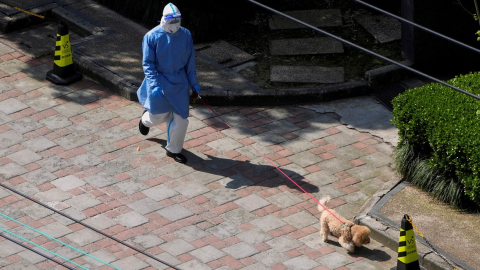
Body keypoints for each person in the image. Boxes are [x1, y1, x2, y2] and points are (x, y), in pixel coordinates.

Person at [137, 2, 201, 164]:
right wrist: (154, 85)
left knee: (181, 119)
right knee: (158, 117)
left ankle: (173, 150)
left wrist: (194, 83)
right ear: (164, 20)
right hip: (160, 81)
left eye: (176, 22)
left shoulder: (186, 35)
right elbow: (148, 65)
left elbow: (190, 63)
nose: (174, 25)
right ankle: (145, 120)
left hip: (179, 82)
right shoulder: (151, 37)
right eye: (171, 22)